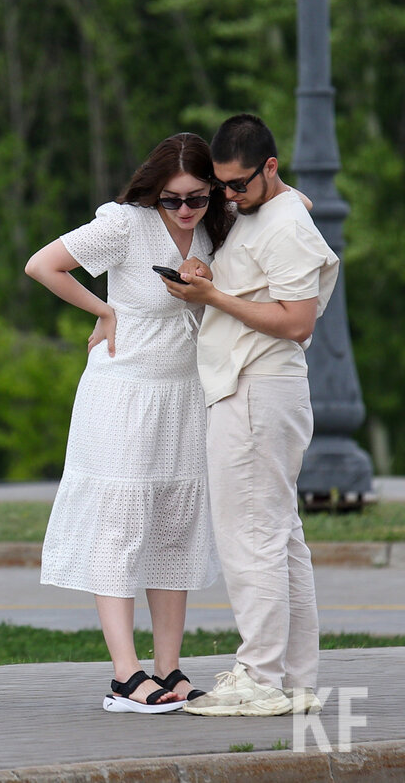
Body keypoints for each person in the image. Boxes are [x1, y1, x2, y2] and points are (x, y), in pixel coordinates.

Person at [24, 132, 230, 713]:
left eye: (198, 197)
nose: (187, 210)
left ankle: (169, 669)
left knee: (174, 525)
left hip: (183, 394)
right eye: (173, 199)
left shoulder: (216, 226)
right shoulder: (124, 225)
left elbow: (290, 201)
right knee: (120, 527)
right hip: (124, 392)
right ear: (154, 192)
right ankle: (124, 674)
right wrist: (104, 309)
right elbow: (43, 265)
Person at [162, 114, 339, 717]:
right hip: (257, 388)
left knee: (250, 537)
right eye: (222, 187)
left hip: (257, 389)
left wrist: (211, 297)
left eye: (239, 185)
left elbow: (297, 321)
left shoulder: (285, 222)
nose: (229, 198)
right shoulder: (264, 213)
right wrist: (214, 279)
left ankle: (259, 676)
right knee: (280, 536)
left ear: (271, 168)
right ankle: (293, 678)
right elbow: (262, 287)